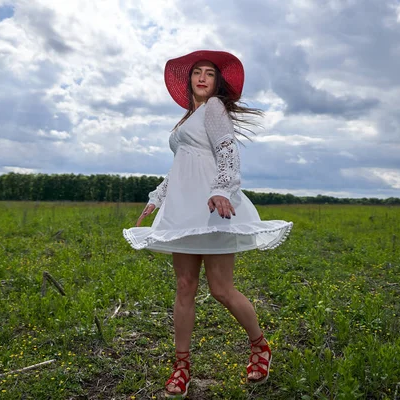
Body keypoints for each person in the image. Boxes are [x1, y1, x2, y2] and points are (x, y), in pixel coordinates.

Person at [123, 50, 292, 398]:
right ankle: (181, 367)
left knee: (220, 289)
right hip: (182, 208)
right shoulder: (187, 119)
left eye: (209, 74)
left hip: (212, 206)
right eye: (197, 73)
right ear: (189, 81)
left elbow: (228, 150)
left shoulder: (214, 109)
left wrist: (220, 190)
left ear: (216, 83)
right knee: (184, 286)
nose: (202, 77)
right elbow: (181, 165)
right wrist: (157, 197)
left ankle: (260, 345)